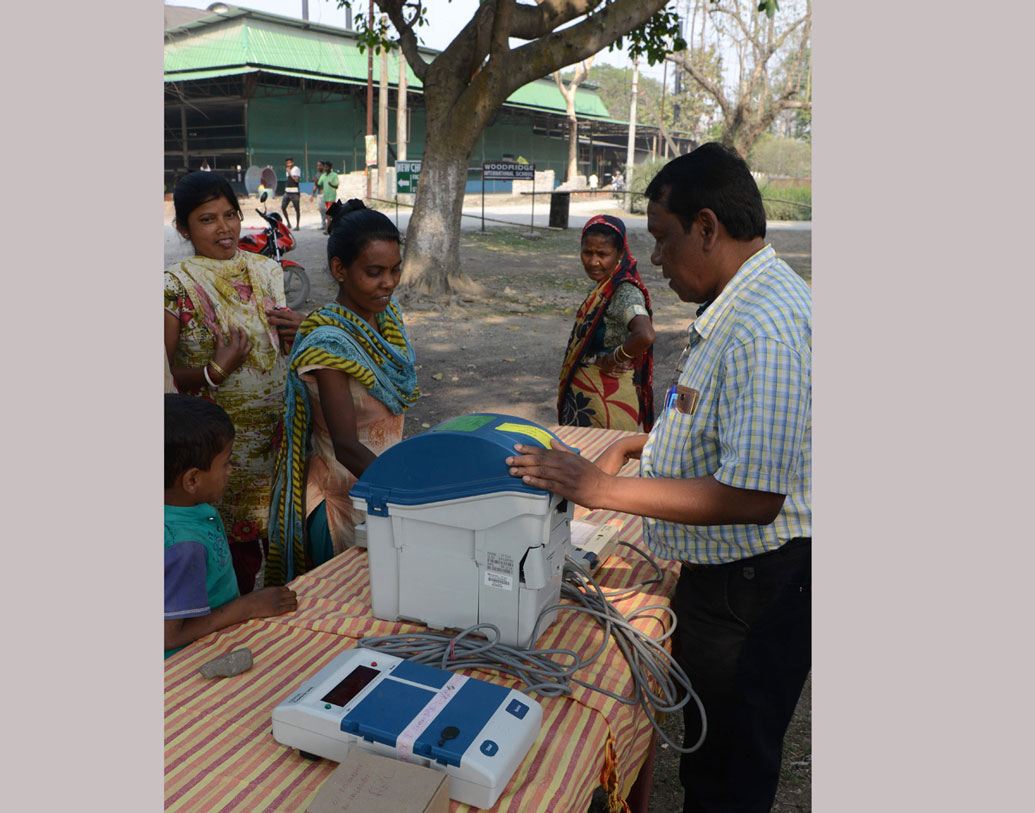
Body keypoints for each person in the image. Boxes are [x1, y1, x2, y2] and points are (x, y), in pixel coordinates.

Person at [507, 143, 811, 813]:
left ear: (707, 227)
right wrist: (640, 445)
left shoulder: (765, 323)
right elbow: (728, 428)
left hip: (754, 589)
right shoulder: (738, 306)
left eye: (663, 239)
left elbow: (756, 495)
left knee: (729, 775)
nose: (655, 260)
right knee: (709, 761)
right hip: (733, 582)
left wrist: (600, 490)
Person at [165, 171, 304, 594]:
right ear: (184, 229)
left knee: (286, 546)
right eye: (207, 219)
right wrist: (214, 370)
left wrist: (299, 335)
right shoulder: (173, 285)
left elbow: (280, 352)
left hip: (278, 439)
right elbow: (159, 375)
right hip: (217, 454)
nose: (224, 227)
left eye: (230, 214)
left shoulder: (265, 269)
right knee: (232, 566)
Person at [268, 199, 420, 585]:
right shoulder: (328, 347)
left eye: (394, 270)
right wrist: (413, 496)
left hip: (380, 493)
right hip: (344, 506)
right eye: (374, 272)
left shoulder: (388, 321)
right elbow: (347, 445)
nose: (387, 282)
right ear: (340, 270)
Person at [164, 394, 297, 658]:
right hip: (186, 665)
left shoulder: (186, 511)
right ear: (192, 480)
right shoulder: (184, 544)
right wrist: (247, 607)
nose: (230, 470)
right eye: (226, 463)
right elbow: (168, 636)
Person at [557, 214, 656, 432]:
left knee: (602, 459)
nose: (593, 262)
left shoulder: (624, 291)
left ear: (621, 253)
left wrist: (614, 358)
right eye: (587, 253)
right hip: (587, 400)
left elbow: (645, 334)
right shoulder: (604, 286)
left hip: (607, 400)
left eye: (602, 254)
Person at [313, 160, 340, 234]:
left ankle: (327, 229)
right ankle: (333, 227)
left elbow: (336, 186)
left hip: (332, 196)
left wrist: (331, 185)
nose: (325, 168)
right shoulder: (323, 176)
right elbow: (319, 184)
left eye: (327, 167)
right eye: (325, 167)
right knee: (329, 213)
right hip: (325, 197)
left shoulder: (334, 175)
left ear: (330, 168)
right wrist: (315, 181)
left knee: (328, 213)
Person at [281, 156, 302, 230]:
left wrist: (290, 173)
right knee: (283, 207)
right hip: (287, 191)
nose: (288, 164)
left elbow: (296, 180)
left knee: (297, 209)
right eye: (287, 163)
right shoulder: (287, 170)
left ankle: (297, 225)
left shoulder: (296, 169)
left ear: (292, 163)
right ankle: (288, 223)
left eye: (290, 162)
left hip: (294, 192)